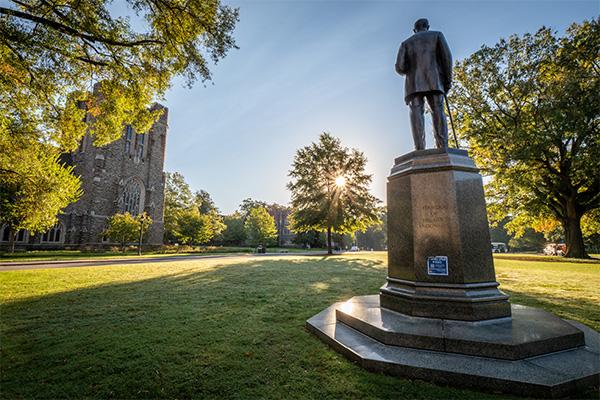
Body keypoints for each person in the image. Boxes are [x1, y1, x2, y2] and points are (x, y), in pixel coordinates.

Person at [395, 18, 453, 150]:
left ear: (414, 30)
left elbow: (400, 67)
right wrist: (448, 81)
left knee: (416, 112)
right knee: (438, 110)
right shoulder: (437, 35)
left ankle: (419, 148)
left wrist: (412, 67)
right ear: (427, 26)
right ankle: (442, 146)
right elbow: (447, 58)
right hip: (435, 81)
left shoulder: (406, 43)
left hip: (414, 84)